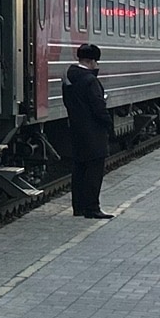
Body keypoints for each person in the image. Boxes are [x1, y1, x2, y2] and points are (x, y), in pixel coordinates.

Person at [63, 41, 112, 219]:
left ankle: (79, 207)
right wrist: (108, 122)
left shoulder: (68, 78)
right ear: (92, 61)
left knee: (79, 169)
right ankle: (92, 208)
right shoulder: (90, 81)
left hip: (76, 129)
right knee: (94, 171)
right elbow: (98, 107)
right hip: (94, 132)